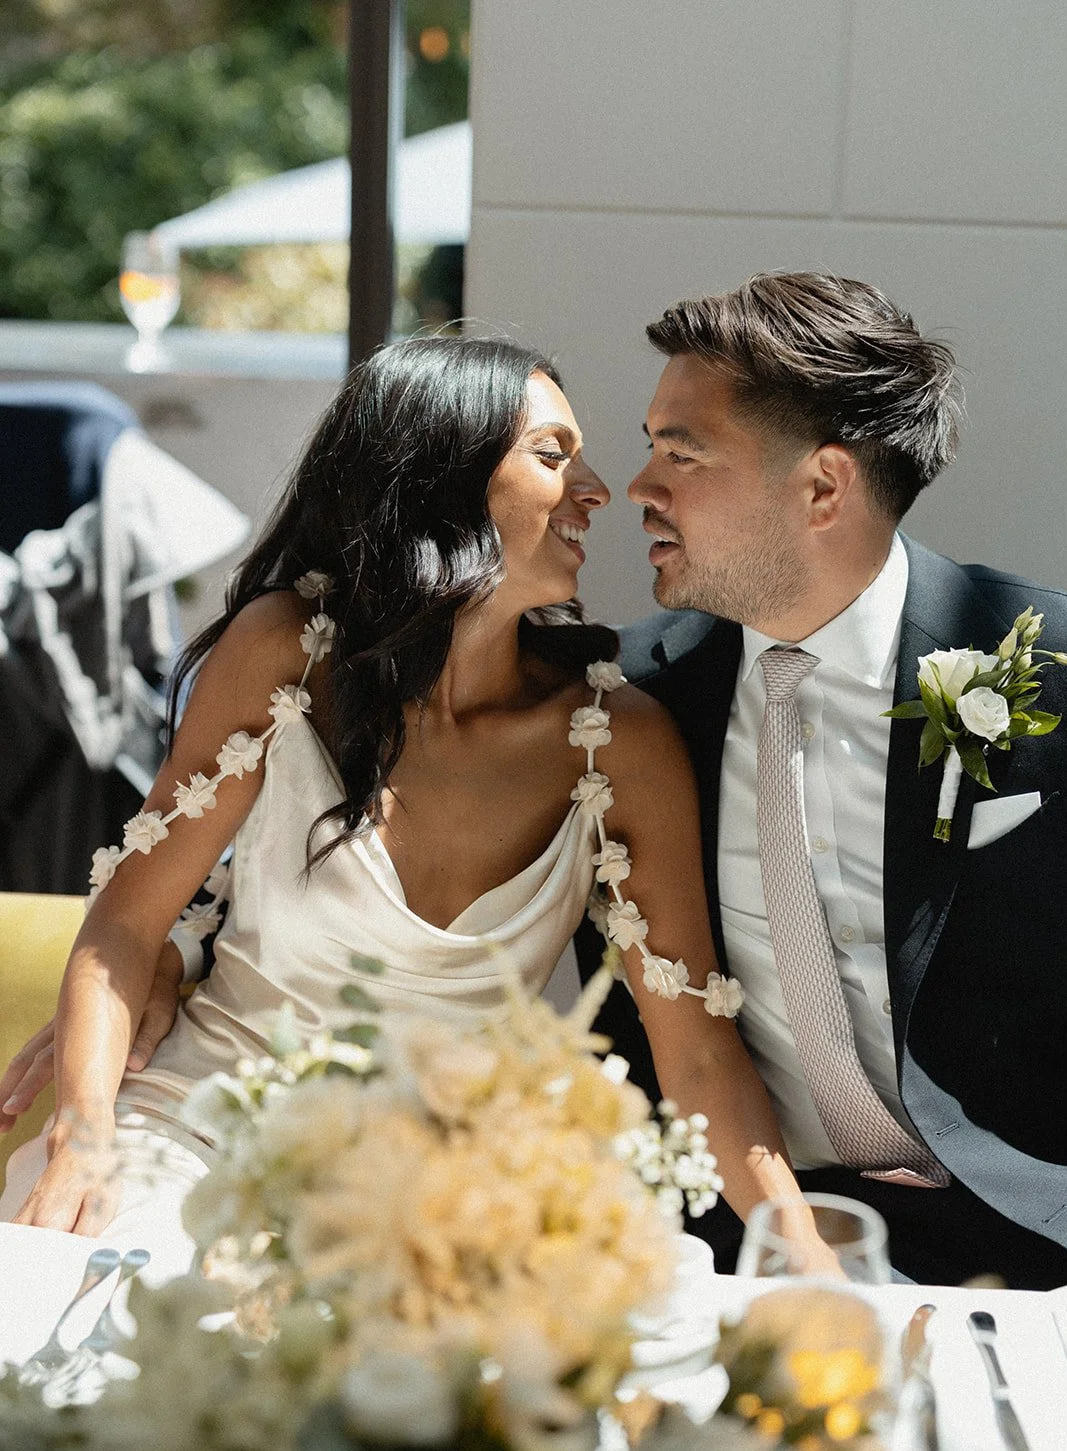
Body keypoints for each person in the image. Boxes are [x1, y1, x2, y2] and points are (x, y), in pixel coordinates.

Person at [0, 336, 821, 1252]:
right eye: (553, 455)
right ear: (441, 481)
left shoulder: (615, 742)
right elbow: (123, 925)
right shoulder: (290, 653)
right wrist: (83, 1138)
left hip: (443, 1197)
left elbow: (700, 1057)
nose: (596, 488)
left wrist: (812, 1256)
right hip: (202, 1135)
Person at [577, 271, 1067, 1288]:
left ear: (825, 488)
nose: (638, 487)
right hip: (733, 1233)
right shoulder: (635, 704)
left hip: (1038, 1240)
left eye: (681, 451)